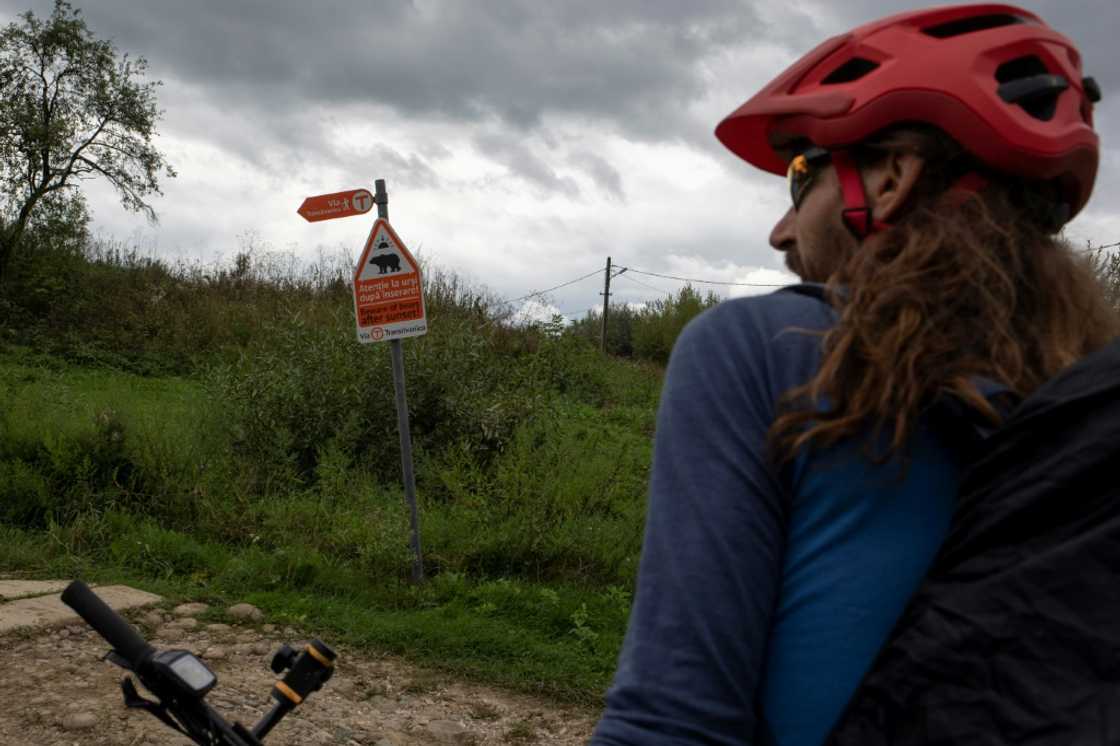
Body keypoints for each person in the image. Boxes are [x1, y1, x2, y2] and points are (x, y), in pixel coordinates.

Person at [590, 4, 1120, 745]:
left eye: (798, 176)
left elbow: (672, 724)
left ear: (892, 178)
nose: (779, 231)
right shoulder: (1096, 406)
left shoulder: (765, 349)